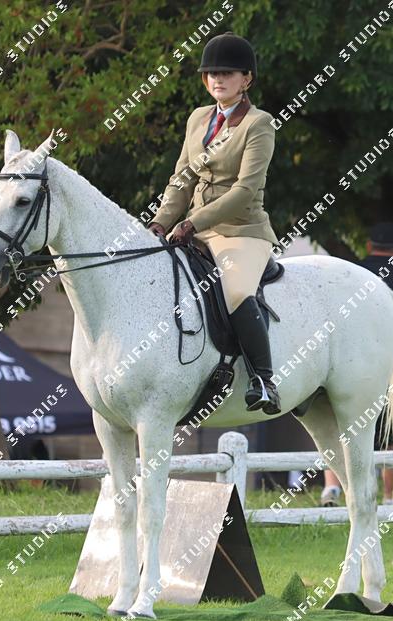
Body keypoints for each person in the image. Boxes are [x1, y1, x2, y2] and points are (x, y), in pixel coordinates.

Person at [149, 31, 282, 415]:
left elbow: (244, 190)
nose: (217, 80)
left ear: (246, 79)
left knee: (236, 291)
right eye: (211, 74)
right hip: (194, 228)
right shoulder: (198, 118)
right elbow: (183, 177)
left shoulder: (259, 124)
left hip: (241, 231)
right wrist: (160, 222)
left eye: (227, 73)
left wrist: (192, 222)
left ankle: (263, 379)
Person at [320, 223, 393, 506]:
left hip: (346, 363)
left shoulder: (350, 275)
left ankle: (332, 488)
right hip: (390, 366)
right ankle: (390, 496)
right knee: (390, 433)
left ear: (369, 246)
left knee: (338, 425)